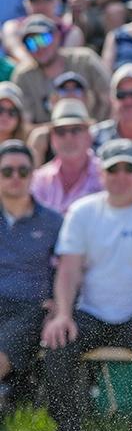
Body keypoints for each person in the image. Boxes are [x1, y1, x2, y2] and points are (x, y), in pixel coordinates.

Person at [41, 139, 132, 431]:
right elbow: (68, 270)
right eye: (113, 168)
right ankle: (68, 430)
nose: (121, 175)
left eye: (129, 168)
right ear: (101, 174)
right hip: (92, 312)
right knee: (57, 342)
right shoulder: (83, 212)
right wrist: (62, 314)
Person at [0, 141, 63, 389]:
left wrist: (58, 304)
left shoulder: (52, 221)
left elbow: (68, 268)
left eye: (23, 171)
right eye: (7, 172)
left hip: (30, 307)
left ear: (33, 174)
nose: (16, 177)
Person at [11, 15, 111, 124]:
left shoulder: (85, 60)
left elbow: (111, 99)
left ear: (57, 36)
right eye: (31, 43)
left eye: (43, 39)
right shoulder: (23, 76)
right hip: (48, 138)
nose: (39, 47)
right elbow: (23, 125)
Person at [30, 99, 102, 214]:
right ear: (52, 138)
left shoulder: (107, 176)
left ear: (89, 135)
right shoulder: (39, 180)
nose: (68, 138)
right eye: (60, 131)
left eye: (76, 130)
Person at [3, 0, 85, 68]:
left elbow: (64, 61)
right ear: (25, 3)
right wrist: (34, 68)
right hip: (23, 76)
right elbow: (15, 51)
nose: (40, 5)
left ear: (56, 1)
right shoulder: (13, 27)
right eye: (34, 0)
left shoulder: (70, 32)